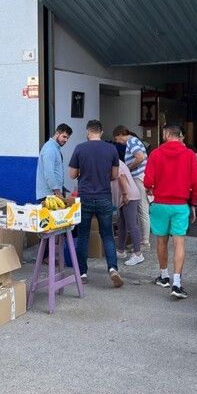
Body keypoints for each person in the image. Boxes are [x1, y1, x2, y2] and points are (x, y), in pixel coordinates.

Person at [143, 124, 197, 299]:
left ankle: (164, 276)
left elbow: (148, 181)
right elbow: (196, 182)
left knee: (161, 241)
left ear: (167, 134)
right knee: (179, 243)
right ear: (179, 135)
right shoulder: (189, 155)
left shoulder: (155, 154)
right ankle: (177, 283)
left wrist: (150, 189)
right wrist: (193, 204)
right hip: (180, 205)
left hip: (160, 204)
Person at [69, 120, 123, 287]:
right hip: (104, 196)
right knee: (107, 235)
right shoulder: (111, 149)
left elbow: (72, 174)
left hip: (84, 197)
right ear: (101, 132)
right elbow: (115, 175)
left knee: (83, 235)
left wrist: (83, 172)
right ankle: (113, 268)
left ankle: (82, 273)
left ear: (88, 132)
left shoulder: (80, 148)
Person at [113, 126, 151, 250]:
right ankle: (140, 241)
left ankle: (145, 242)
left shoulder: (131, 141)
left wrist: (128, 168)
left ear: (120, 134)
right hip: (139, 177)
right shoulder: (133, 141)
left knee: (142, 209)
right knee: (140, 210)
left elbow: (140, 157)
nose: (118, 142)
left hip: (138, 177)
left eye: (117, 139)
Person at [111, 160, 144, 266]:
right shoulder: (116, 161)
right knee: (122, 224)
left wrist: (125, 195)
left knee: (132, 225)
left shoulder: (113, 162)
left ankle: (138, 254)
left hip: (128, 197)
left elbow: (122, 178)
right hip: (125, 197)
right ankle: (121, 250)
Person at [36, 123, 73, 201]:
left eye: (67, 138)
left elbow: (56, 171)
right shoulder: (50, 149)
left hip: (53, 194)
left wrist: (61, 189)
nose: (66, 140)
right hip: (49, 195)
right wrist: (58, 192)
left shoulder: (54, 148)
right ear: (57, 133)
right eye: (64, 136)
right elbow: (49, 173)